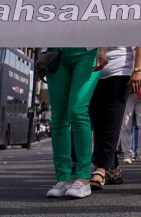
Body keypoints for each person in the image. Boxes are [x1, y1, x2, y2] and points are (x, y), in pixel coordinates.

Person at [43, 46, 108, 200]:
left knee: (77, 110)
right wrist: (43, 55)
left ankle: (83, 179)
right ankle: (62, 180)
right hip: (55, 51)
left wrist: (103, 49)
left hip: (87, 50)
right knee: (58, 117)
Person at [89, 46, 141, 189]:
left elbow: (140, 42)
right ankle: (113, 169)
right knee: (98, 122)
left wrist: (137, 69)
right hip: (92, 68)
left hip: (119, 69)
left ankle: (101, 168)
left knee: (111, 121)